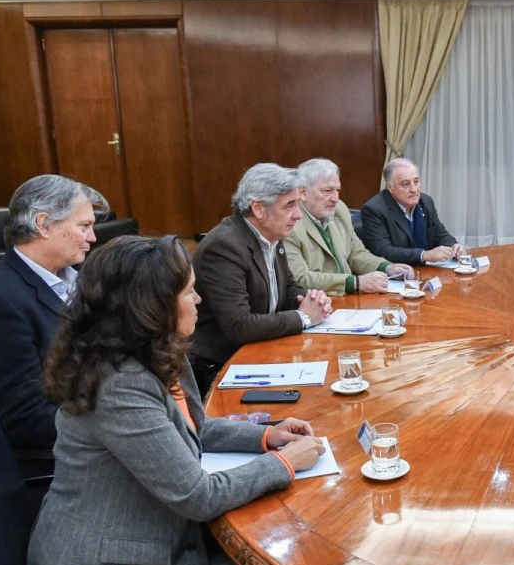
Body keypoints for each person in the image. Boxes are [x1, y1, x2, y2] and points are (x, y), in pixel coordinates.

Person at [25, 235, 324, 565]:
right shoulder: (120, 382)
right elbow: (196, 494)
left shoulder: (155, 354)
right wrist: (286, 465)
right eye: (188, 292)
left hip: (137, 537)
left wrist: (267, 438)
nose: (199, 300)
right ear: (152, 308)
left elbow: (197, 429)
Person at [0, 175, 105, 458]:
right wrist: (117, 424)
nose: (92, 238)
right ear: (43, 225)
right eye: (83, 226)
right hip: (59, 458)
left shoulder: (77, 279)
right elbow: (25, 419)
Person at [190, 163, 334, 396]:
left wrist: (310, 300)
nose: (298, 215)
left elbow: (287, 286)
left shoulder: (272, 235)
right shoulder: (224, 247)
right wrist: (304, 317)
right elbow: (240, 326)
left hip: (261, 352)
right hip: (220, 369)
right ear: (258, 209)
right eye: (289, 206)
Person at [286, 158, 412, 295]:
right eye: (327, 191)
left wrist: (387, 268)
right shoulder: (290, 223)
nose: (335, 198)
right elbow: (300, 278)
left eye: (337, 190)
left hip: (348, 301)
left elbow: (355, 253)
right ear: (303, 193)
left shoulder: (339, 209)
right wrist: (355, 283)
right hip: (317, 303)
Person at [360, 158, 465, 265]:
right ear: (390, 188)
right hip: (396, 275)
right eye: (406, 184)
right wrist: (424, 255)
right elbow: (383, 251)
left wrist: (454, 246)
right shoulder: (374, 209)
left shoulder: (426, 202)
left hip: (427, 272)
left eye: (416, 182)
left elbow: (440, 234)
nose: (414, 189)